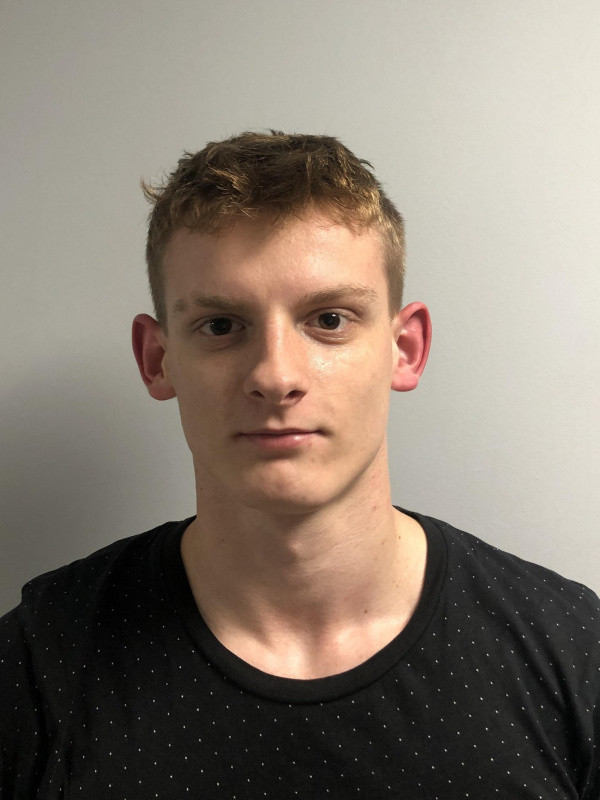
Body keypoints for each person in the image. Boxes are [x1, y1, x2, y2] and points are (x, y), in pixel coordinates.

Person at [1, 130, 598, 799]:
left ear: (405, 349)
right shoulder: (38, 665)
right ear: (157, 359)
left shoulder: (573, 650)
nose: (276, 376)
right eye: (221, 326)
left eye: (330, 320)